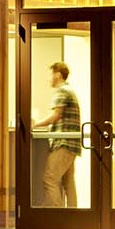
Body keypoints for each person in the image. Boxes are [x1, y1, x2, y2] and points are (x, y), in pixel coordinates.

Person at [31, 61, 82, 208]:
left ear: (58, 75)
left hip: (63, 142)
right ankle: (73, 215)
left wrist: (36, 124)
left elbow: (56, 115)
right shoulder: (70, 90)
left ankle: (56, 213)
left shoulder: (62, 91)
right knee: (68, 182)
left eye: (51, 75)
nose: (49, 79)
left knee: (50, 178)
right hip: (72, 144)